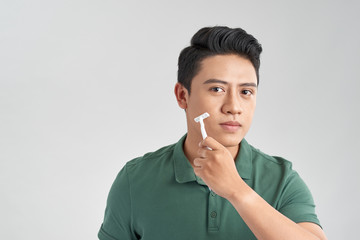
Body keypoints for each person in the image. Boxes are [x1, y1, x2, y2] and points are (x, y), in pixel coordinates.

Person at [98, 26, 327, 240]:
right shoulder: (135, 179)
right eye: (217, 89)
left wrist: (237, 191)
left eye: (246, 91)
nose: (233, 107)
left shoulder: (281, 179)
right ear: (182, 96)